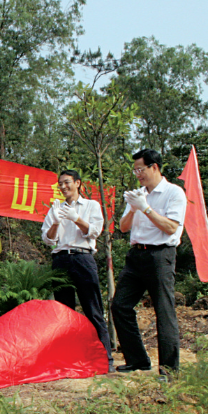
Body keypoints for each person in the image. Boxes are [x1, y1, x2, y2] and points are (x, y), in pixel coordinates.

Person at [112, 148, 187, 379]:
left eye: (140, 169)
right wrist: (134, 207)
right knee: (119, 306)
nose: (137, 174)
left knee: (163, 311)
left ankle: (169, 370)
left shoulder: (174, 193)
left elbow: (171, 227)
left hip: (161, 256)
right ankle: (138, 360)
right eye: (135, 170)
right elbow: (123, 227)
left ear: (154, 167)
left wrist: (145, 207)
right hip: (136, 256)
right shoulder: (137, 194)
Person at [41, 169, 113, 372]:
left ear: (78, 183)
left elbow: (94, 231)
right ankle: (69, 361)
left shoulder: (91, 205)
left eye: (67, 183)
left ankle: (105, 359)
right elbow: (48, 239)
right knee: (65, 313)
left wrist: (75, 218)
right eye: (60, 184)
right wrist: (55, 222)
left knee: (93, 309)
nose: (63, 187)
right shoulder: (55, 208)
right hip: (60, 259)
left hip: (83, 257)